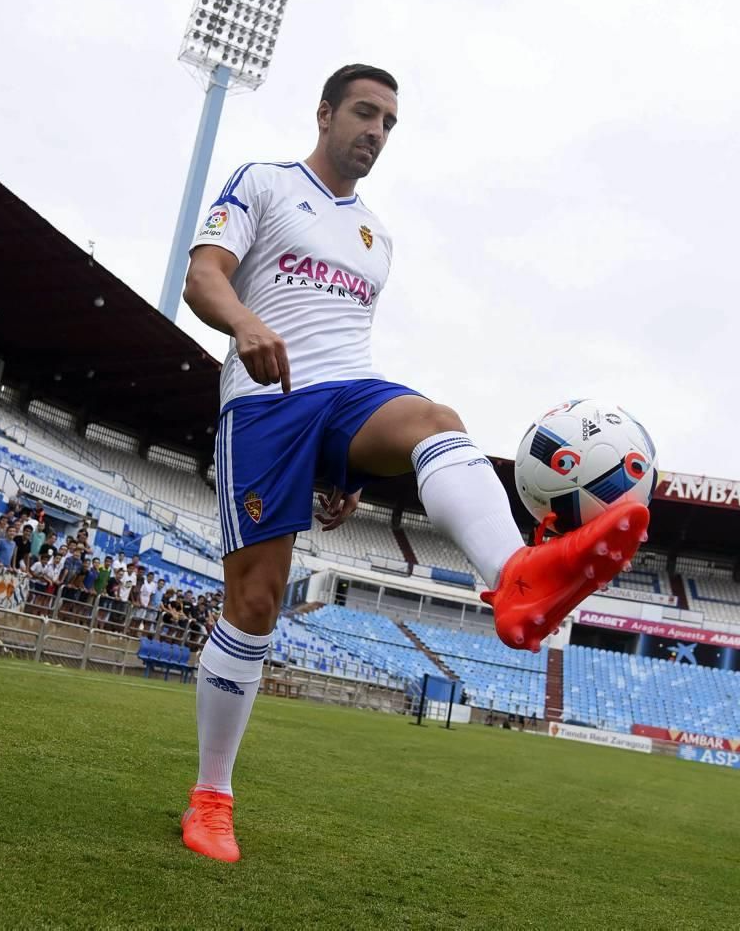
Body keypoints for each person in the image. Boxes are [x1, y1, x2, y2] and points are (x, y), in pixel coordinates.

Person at [178, 63, 649, 863]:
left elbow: (346, 345)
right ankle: (211, 795)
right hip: (264, 406)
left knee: (436, 420)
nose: (377, 131)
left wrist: (352, 469)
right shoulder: (262, 181)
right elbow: (202, 276)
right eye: (365, 113)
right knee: (255, 603)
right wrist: (246, 323)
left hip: (347, 394)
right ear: (325, 113)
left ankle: (515, 577)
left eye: (389, 122)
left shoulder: (376, 237)